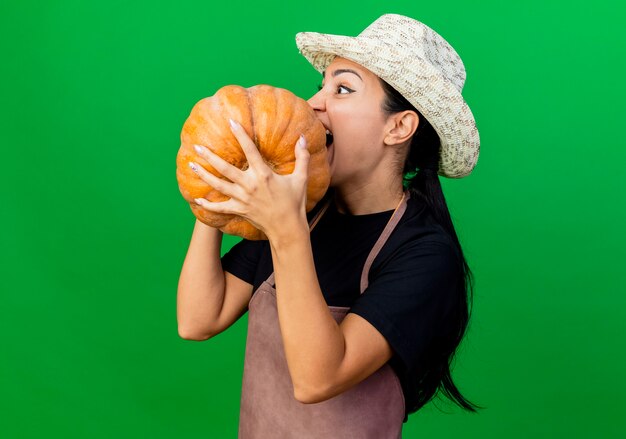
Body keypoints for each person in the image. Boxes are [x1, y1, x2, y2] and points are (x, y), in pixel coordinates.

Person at [177, 13, 483, 438]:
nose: (315, 102)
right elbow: (197, 319)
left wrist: (285, 230)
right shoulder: (299, 211)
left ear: (398, 127)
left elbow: (318, 378)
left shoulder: (424, 254)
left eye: (342, 88)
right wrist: (214, 188)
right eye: (321, 85)